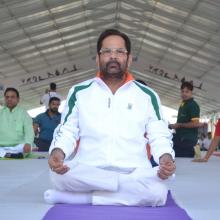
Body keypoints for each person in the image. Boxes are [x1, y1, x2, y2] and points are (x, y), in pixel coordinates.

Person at [44, 29, 175, 207]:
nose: (113, 57)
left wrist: (165, 158)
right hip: (89, 167)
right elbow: (67, 130)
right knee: (58, 175)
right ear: (98, 58)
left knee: (157, 191)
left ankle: (81, 198)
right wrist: (57, 153)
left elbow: (159, 134)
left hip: (133, 169)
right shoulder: (80, 92)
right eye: (107, 51)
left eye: (120, 52)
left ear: (129, 59)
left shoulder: (146, 95)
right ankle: (122, 191)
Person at [169, 81, 203, 157]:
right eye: (182, 91)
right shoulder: (183, 104)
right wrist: (173, 125)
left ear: (191, 92)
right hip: (179, 139)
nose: (184, 94)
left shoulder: (193, 105)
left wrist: (180, 125)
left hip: (188, 141)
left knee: (184, 163)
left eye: (187, 92)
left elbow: (195, 124)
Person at [0, 87, 34, 158]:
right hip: (1, 146)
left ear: (18, 99)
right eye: (7, 97)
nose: (9, 99)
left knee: (28, 147)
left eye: (12, 97)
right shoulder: (1, 112)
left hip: (19, 146)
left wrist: (28, 143)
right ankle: (8, 154)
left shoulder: (23, 113)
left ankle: (7, 154)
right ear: (4, 99)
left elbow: (29, 130)